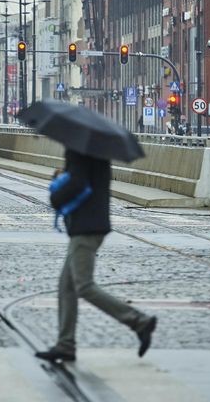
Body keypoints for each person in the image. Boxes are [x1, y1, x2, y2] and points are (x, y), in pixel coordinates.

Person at [35, 149, 157, 363]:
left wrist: (56, 196)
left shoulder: (79, 149)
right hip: (93, 223)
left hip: (86, 226)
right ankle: (65, 345)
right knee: (67, 286)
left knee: (83, 285)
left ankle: (139, 321)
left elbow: (78, 183)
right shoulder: (94, 149)